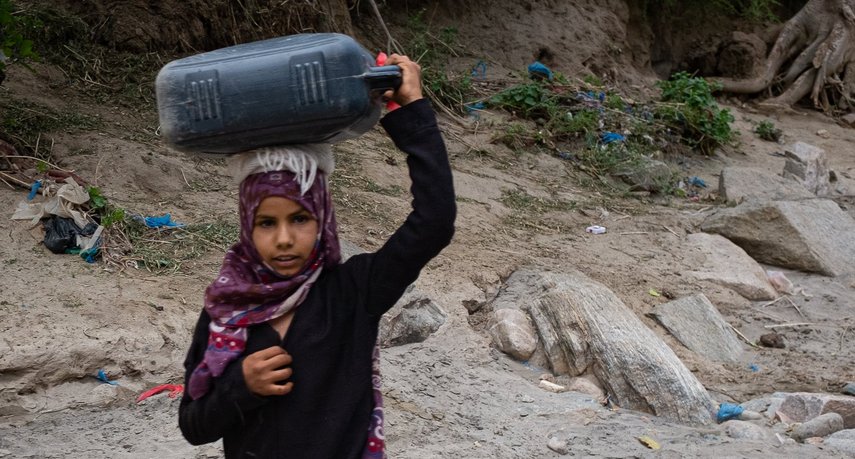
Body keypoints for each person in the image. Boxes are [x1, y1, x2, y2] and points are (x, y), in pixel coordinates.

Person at [177, 53, 456, 458]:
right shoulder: (225, 309)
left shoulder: (353, 293)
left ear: (323, 220)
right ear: (247, 227)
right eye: (267, 223)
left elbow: (435, 221)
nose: (285, 238)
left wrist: (412, 113)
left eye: (300, 218)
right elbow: (193, 426)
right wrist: (241, 385)